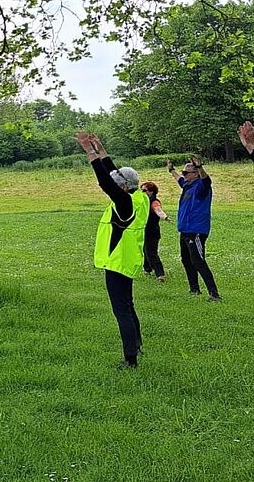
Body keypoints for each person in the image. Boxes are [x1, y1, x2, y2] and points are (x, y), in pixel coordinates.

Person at [77, 131, 148, 370]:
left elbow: (105, 182)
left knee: (122, 311)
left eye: (119, 186)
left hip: (118, 262)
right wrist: (101, 150)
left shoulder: (125, 203)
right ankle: (137, 344)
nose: (115, 188)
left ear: (124, 188)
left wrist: (90, 153)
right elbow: (114, 175)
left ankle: (130, 359)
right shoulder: (139, 197)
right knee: (128, 305)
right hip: (128, 260)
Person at [167, 155, 221, 301]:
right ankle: (194, 289)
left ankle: (214, 294)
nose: (183, 175)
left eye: (186, 172)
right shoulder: (187, 185)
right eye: (183, 172)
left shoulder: (202, 187)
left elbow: (207, 180)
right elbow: (179, 179)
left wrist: (199, 167)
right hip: (184, 230)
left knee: (198, 261)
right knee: (186, 260)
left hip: (196, 231)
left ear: (196, 174)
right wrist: (171, 170)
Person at [139, 181, 171, 282]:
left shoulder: (154, 202)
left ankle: (160, 274)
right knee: (145, 250)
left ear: (151, 191)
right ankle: (147, 269)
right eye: (141, 190)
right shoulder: (143, 201)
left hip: (152, 232)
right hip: (144, 230)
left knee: (151, 253)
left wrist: (165, 217)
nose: (142, 192)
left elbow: (158, 210)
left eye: (144, 190)